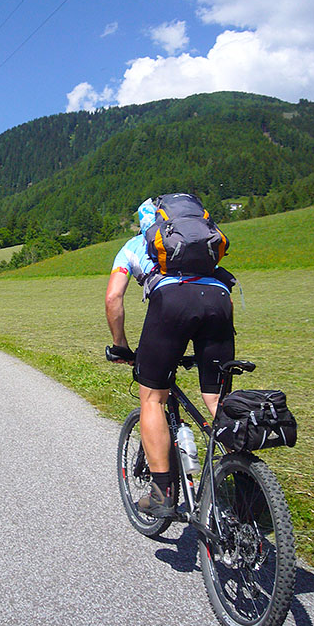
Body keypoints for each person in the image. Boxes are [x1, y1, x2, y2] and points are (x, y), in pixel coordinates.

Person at [105, 197, 235, 517]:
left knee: (152, 399)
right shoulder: (201, 244)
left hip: (172, 304)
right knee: (216, 399)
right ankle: (246, 480)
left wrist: (120, 344)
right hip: (219, 299)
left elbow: (113, 297)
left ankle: (162, 492)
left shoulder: (136, 245)